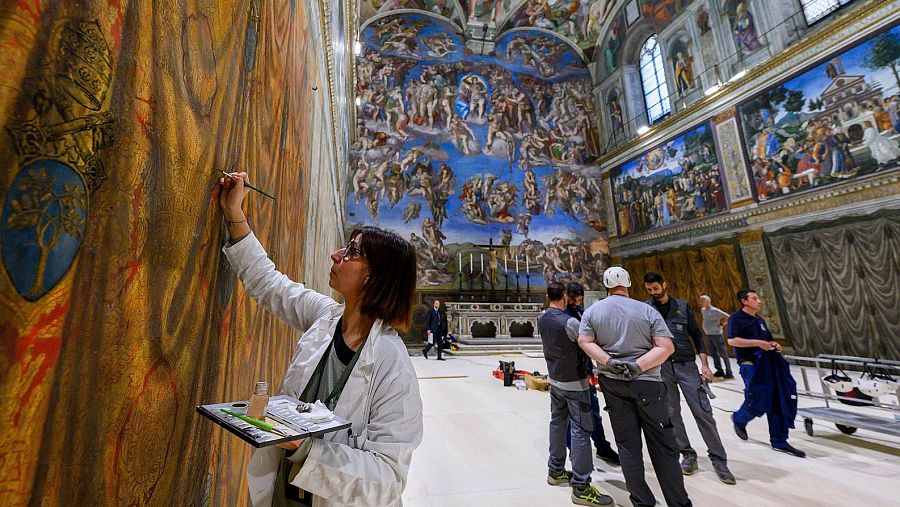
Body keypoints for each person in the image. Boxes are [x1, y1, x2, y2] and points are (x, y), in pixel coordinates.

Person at [217, 172, 424, 506]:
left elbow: (387, 479)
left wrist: (305, 447)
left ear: (374, 277)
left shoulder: (391, 363)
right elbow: (270, 284)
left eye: (352, 252)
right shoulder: (325, 317)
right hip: (284, 493)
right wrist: (235, 214)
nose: (336, 255)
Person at [578, 267, 692, 507]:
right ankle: (678, 503)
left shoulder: (592, 311)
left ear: (606, 284)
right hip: (648, 383)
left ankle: (642, 502)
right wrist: (637, 366)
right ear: (628, 282)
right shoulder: (647, 310)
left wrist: (609, 362)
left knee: (627, 446)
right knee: (663, 447)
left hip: (613, 383)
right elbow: (666, 347)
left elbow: (584, 341)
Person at [642, 273, 734, 484]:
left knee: (702, 412)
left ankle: (719, 459)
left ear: (664, 285)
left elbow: (696, 336)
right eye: (649, 290)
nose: (653, 292)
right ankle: (687, 454)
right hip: (662, 367)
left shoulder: (682, 307)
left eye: (656, 288)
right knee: (672, 413)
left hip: (686, 365)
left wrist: (705, 364)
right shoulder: (646, 309)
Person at [539, 282, 614, 507]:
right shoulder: (570, 322)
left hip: (555, 380)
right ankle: (581, 486)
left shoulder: (542, 318)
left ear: (546, 296)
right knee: (581, 430)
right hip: (574, 382)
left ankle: (556, 470)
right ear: (564, 296)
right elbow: (587, 345)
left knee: (557, 424)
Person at [727, 289, 806, 458]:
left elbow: (768, 340)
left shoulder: (759, 320)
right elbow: (732, 340)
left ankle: (779, 441)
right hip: (750, 364)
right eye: (755, 298)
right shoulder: (736, 318)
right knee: (757, 399)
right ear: (744, 301)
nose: (759, 301)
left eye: (759, 298)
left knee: (777, 399)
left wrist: (774, 344)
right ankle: (740, 419)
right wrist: (757, 343)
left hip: (767, 364)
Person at [564, 283, 620, 465]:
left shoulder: (582, 311)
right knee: (570, 416)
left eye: (579, 299)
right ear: (566, 296)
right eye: (573, 299)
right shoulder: (562, 315)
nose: (576, 302)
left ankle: (602, 447)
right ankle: (574, 451)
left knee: (594, 411)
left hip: (585, 368)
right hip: (569, 371)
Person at [700, 295, 733, 378]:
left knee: (723, 354)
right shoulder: (703, 310)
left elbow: (728, 317)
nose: (700, 303)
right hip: (708, 335)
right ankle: (719, 370)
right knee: (714, 354)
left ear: (707, 301)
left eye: (702, 301)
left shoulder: (715, 310)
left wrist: (722, 324)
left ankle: (729, 372)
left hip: (717, 335)